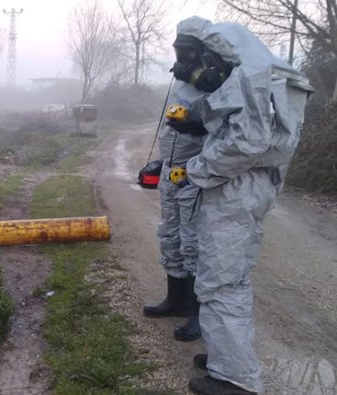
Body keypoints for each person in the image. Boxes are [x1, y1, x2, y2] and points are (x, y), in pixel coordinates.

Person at [169, 17, 313, 394]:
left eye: (189, 56)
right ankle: (226, 358)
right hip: (247, 187)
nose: (186, 66)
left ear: (211, 51)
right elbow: (236, 128)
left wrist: (194, 169)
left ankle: (236, 380)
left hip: (237, 189)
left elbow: (245, 144)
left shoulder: (249, 79)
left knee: (220, 282)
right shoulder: (251, 74)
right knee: (230, 277)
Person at [142, 19, 213, 343]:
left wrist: (198, 127)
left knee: (193, 243)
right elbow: (171, 124)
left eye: (187, 51)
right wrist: (160, 161)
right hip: (172, 172)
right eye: (177, 50)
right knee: (169, 236)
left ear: (201, 51)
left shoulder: (217, 82)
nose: (180, 56)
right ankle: (176, 299)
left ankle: (198, 316)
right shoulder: (180, 82)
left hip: (196, 175)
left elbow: (227, 131)